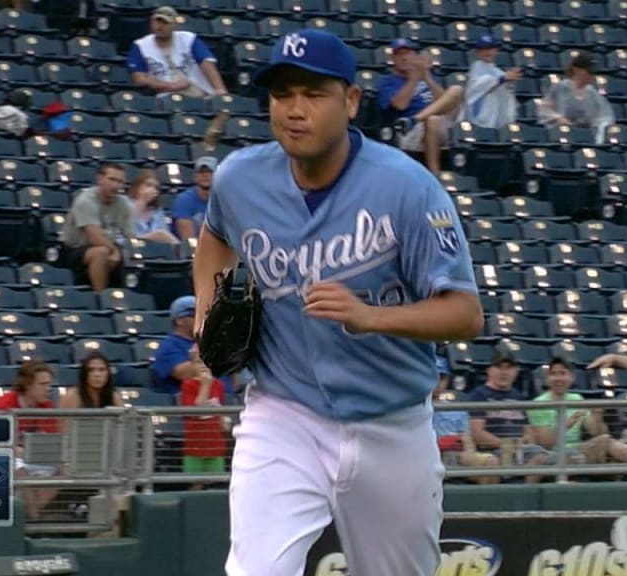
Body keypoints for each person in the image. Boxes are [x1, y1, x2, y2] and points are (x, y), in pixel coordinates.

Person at [192, 29, 483, 576]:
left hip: (391, 420)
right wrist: (208, 314)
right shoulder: (239, 179)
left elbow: (465, 313)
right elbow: (213, 240)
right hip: (284, 411)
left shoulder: (407, 188)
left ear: (350, 101)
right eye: (282, 95)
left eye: (313, 94)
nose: (295, 110)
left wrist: (372, 317)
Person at [527, 358, 627, 466]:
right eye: (554, 374)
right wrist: (566, 424)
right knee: (606, 443)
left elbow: (596, 432)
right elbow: (546, 443)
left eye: (562, 373)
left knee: (606, 442)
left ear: (571, 378)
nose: (558, 378)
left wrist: (597, 417)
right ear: (548, 379)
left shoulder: (576, 399)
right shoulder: (539, 404)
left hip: (580, 449)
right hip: (555, 454)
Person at [395, 35, 521, 134]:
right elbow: (477, 87)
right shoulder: (477, 67)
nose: (487, 52)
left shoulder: (498, 72)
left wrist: (507, 81)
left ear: (496, 51)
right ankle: (414, 120)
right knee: (455, 91)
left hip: (495, 120)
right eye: (483, 49)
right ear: (478, 52)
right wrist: (502, 79)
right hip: (475, 119)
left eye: (490, 48)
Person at [377, 38, 463, 175]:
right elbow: (399, 105)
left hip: (438, 122)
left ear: (414, 57)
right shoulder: (388, 82)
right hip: (410, 130)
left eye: (408, 53)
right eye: (399, 54)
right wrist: (413, 80)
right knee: (432, 121)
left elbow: (444, 102)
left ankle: (416, 119)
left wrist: (427, 76)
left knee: (456, 90)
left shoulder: (429, 78)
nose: (404, 58)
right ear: (393, 58)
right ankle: (435, 174)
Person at [0, 360, 60, 520]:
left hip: (30, 456)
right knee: (21, 471)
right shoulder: (5, 404)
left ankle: (32, 516)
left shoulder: (46, 406)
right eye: (43, 384)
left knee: (64, 470)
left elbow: (50, 441)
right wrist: (24, 452)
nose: (48, 389)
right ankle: (34, 520)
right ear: (28, 385)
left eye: (49, 384)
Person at [467, 346, 549, 483]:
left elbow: (528, 432)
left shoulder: (518, 397)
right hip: (493, 451)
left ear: (516, 372)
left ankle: (525, 497)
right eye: (499, 367)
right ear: (489, 371)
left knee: (540, 456)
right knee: (496, 461)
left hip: (520, 450)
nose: (504, 372)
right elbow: (478, 434)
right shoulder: (479, 395)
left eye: (509, 367)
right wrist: (506, 445)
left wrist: (524, 441)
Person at [58, 163, 136, 291]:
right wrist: (115, 251)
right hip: (73, 249)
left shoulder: (123, 204)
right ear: (100, 179)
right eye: (112, 179)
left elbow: (131, 236)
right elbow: (95, 238)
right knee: (101, 252)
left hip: (108, 245)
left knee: (132, 255)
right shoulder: (86, 200)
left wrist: (127, 251)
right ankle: (100, 297)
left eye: (120, 182)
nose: (116, 185)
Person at [127, 6, 228, 98]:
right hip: (166, 96)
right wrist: (172, 86)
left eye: (165, 22)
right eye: (157, 21)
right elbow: (139, 78)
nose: (160, 26)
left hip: (199, 91)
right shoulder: (140, 45)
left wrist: (220, 89)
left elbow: (206, 63)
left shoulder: (189, 38)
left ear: (174, 25)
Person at [433, 356, 500, 485]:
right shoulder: (411, 408)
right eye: (432, 377)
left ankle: (485, 504)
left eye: (441, 378)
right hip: (428, 456)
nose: (436, 383)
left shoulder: (455, 408)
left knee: (491, 462)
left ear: (447, 381)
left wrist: (468, 452)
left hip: (455, 455)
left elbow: (467, 439)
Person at [537, 52, 614, 144]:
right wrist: (557, 118)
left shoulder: (593, 93)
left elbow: (605, 116)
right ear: (576, 69)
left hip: (586, 137)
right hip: (561, 135)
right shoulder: (560, 88)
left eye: (593, 73)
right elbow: (544, 109)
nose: (591, 76)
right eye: (589, 72)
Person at [180, 355, 228, 490]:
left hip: (215, 445)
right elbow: (198, 408)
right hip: (195, 447)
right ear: (192, 365)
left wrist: (223, 423)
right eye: (198, 362)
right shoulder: (188, 385)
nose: (203, 365)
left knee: (215, 484)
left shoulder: (219, 385)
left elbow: (220, 408)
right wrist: (205, 384)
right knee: (196, 484)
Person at [127, 169, 180, 245]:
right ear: (138, 186)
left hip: (155, 250)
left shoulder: (157, 211)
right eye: (148, 185)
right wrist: (142, 201)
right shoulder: (125, 203)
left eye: (156, 188)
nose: (152, 189)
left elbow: (166, 238)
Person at [170, 156, 216, 241]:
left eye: (210, 172)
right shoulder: (183, 200)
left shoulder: (225, 201)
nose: (205, 175)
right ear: (195, 177)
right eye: (201, 172)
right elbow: (189, 241)